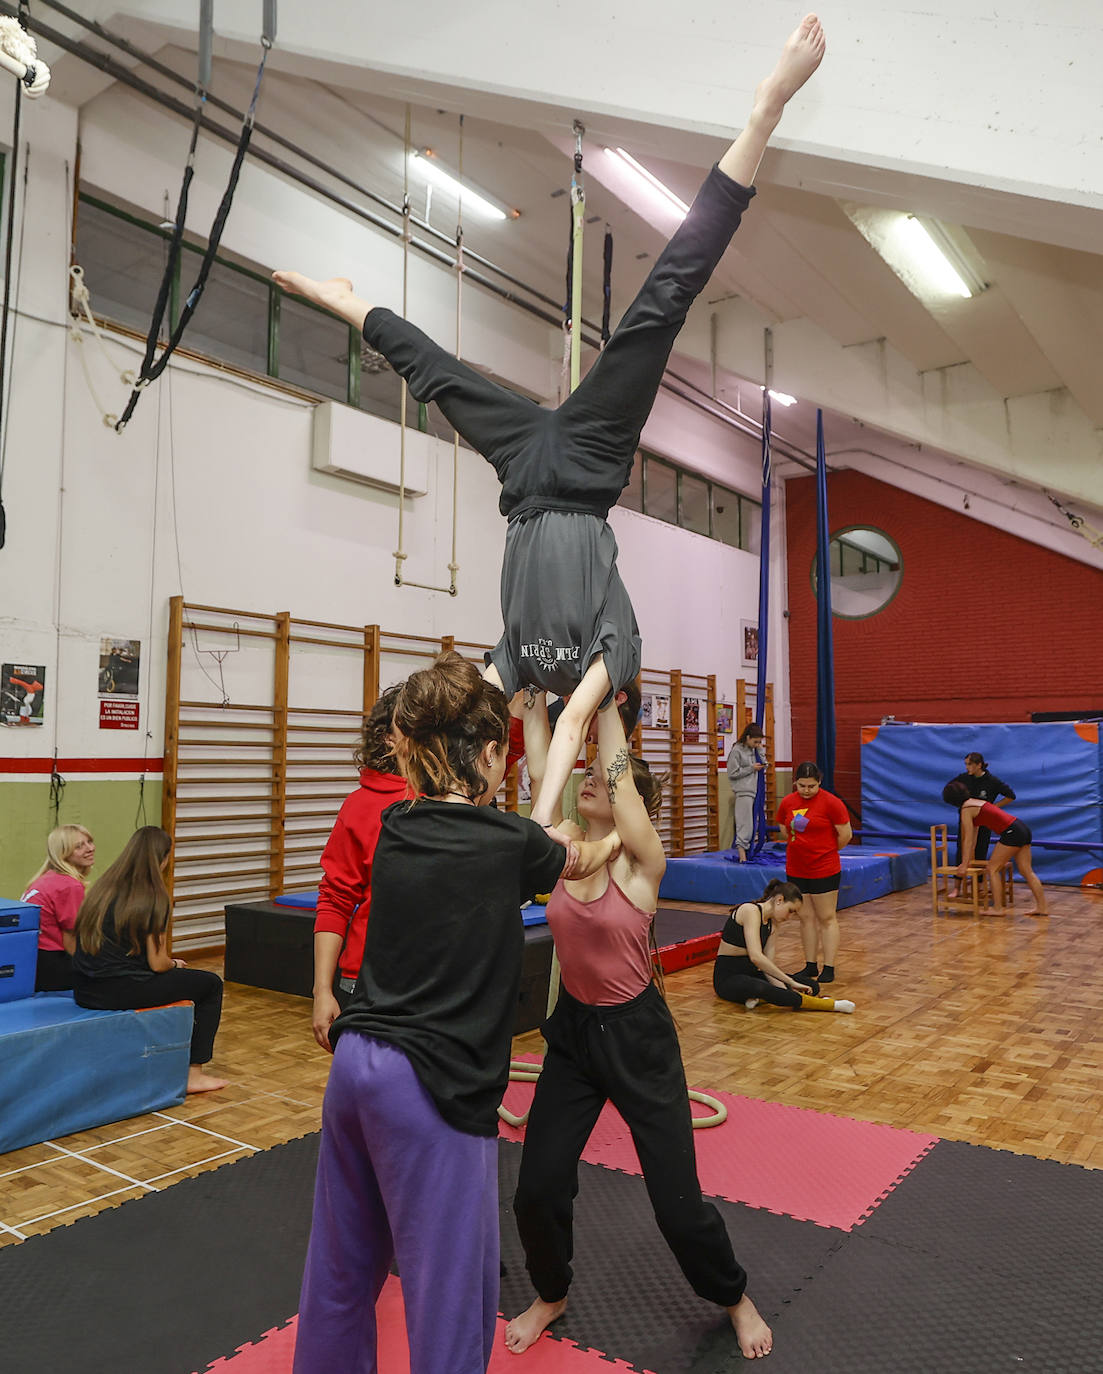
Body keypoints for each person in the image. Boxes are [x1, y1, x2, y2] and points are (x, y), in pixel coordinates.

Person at [273, 13, 827, 854]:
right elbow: (566, 738)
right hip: (590, 465)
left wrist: (417, 761)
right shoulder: (616, 654)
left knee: (438, 376)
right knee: (662, 302)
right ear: (619, 705)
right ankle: (763, 112)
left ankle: (350, 301)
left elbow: (485, 704)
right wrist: (531, 832)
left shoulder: (520, 672)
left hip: (526, 477)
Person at [292, 652, 619, 1374]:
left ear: (407, 748)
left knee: (341, 1275)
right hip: (431, 1087)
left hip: (354, 1067)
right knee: (449, 1295)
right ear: (495, 755)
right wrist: (616, 835)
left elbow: (515, 845)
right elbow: (579, 859)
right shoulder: (510, 843)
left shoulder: (397, 823)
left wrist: (542, 841)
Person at [505, 692, 774, 1362]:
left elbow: (615, 772)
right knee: (535, 1187)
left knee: (677, 1207)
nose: (588, 780)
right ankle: (551, 1291)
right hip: (570, 1034)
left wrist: (604, 702)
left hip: (637, 1039)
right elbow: (547, 773)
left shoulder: (638, 860)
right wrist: (533, 710)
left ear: (632, 805)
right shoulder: (569, 844)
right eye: (586, 777)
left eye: (601, 779)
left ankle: (734, 1297)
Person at [72, 827, 227, 1094]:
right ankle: (194, 1074)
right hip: (119, 991)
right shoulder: (153, 896)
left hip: (85, 990)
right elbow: (158, 964)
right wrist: (175, 964)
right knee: (210, 984)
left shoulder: (102, 889)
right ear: (163, 858)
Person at [311, 684, 411, 1050]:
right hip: (364, 983)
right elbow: (336, 899)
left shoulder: (450, 798)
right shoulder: (360, 805)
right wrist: (322, 990)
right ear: (388, 739)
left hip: (431, 984)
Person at [714, 879, 855, 1013]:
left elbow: (768, 966)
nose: (789, 917)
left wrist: (786, 988)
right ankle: (829, 1005)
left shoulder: (773, 923)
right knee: (760, 987)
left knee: (811, 986)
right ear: (779, 900)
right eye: (790, 911)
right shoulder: (750, 911)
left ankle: (763, 998)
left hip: (752, 973)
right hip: (728, 977)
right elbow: (756, 957)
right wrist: (790, 982)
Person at [776, 761, 852, 986]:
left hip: (824, 867)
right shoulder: (788, 802)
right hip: (796, 867)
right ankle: (810, 965)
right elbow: (783, 826)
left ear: (819, 782)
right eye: (802, 786)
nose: (806, 790)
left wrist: (825, 851)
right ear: (795, 783)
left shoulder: (832, 803)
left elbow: (845, 834)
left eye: (811, 786)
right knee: (805, 917)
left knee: (827, 917)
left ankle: (828, 966)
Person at [945, 780, 1048, 916]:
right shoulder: (974, 802)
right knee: (1026, 871)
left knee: (993, 869)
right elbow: (973, 838)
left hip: (1011, 832)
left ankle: (998, 909)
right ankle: (1042, 907)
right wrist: (967, 861)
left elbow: (968, 840)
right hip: (1021, 828)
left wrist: (963, 864)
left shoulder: (965, 809)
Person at [21, 824, 96, 991]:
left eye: (89, 841)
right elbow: (71, 940)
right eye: (79, 846)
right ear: (64, 853)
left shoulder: (45, 878)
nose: (89, 848)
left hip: (33, 961)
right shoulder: (69, 886)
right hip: (52, 965)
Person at [944, 752, 1016, 879]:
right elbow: (950, 789)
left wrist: (994, 807)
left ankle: (979, 884)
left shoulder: (992, 781)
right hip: (966, 819)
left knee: (980, 850)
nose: (967, 767)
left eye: (970, 764)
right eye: (965, 764)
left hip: (983, 821)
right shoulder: (963, 778)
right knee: (962, 848)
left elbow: (1011, 796)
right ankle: (958, 885)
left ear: (979, 765)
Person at [726, 723, 767, 860]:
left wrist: (761, 751)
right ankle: (742, 855)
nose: (757, 744)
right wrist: (751, 768)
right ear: (748, 737)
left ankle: (747, 853)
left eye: (759, 742)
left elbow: (764, 765)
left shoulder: (754, 750)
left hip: (755, 791)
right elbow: (732, 772)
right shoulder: (737, 751)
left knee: (753, 824)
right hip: (744, 791)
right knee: (745, 824)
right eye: (755, 741)